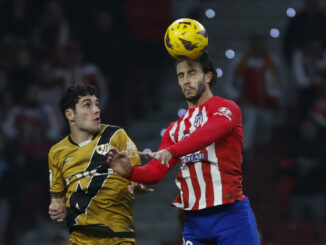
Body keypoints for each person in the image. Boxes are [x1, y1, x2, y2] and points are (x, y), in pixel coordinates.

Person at [107, 52, 261, 245]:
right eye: (181, 75)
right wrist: (130, 172)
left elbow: (207, 134)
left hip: (230, 215)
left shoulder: (227, 109)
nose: (186, 80)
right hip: (194, 222)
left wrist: (172, 151)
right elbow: (154, 172)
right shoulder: (174, 129)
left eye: (192, 73)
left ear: (208, 76)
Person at [48, 84, 151, 245]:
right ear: (70, 114)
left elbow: (140, 176)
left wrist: (138, 184)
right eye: (87, 105)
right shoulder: (57, 152)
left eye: (96, 104)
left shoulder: (116, 136)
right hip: (80, 238)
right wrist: (57, 208)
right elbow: (57, 198)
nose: (96, 110)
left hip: (118, 236)